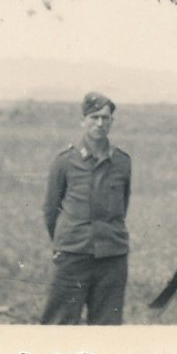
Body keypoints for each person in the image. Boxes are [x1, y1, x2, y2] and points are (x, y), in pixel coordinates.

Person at [40, 91, 131, 325]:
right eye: (94, 117)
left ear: (111, 121)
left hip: (112, 258)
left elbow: (123, 206)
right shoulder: (65, 161)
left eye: (105, 118)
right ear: (84, 121)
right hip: (73, 257)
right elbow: (51, 210)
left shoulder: (122, 162)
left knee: (106, 332)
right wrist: (67, 241)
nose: (100, 123)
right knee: (59, 326)